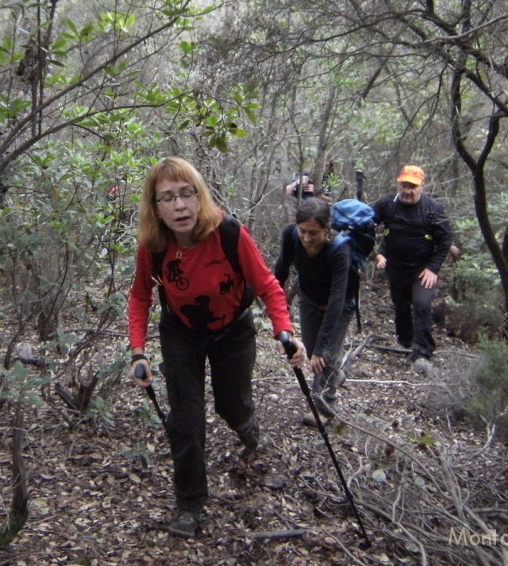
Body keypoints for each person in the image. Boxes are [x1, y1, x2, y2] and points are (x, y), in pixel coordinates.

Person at [128, 157, 307, 539]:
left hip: (233, 329)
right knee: (186, 417)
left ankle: (247, 427)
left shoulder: (228, 233)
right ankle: (190, 501)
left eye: (185, 194)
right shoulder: (155, 246)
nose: (179, 206)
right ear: (155, 207)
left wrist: (285, 332)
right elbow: (141, 296)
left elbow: (268, 286)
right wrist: (138, 351)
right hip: (181, 332)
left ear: (199, 195)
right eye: (166, 198)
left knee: (232, 404)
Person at [273, 197, 353, 426]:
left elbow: (337, 299)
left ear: (327, 229)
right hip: (309, 299)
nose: (307, 238)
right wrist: (278, 311)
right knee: (313, 355)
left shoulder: (340, 249)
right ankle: (335, 374)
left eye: (314, 233)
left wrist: (320, 349)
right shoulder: (290, 236)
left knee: (324, 356)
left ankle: (324, 408)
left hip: (339, 305)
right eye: (303, 231)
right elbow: (280, 272)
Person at [371, 165, 454, 363]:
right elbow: (368, 223)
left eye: (412, 186)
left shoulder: (433, 208)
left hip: (422, 268)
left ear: (422, 186)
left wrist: (433, 268)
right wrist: (374, 252)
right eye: (404, 185)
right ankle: (406, 340)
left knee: (422, 304)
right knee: (400, 304)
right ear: (398, 184)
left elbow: (445, 239)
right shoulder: (387, 204)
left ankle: (423, 351)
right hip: (396, 268)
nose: (407, 191)